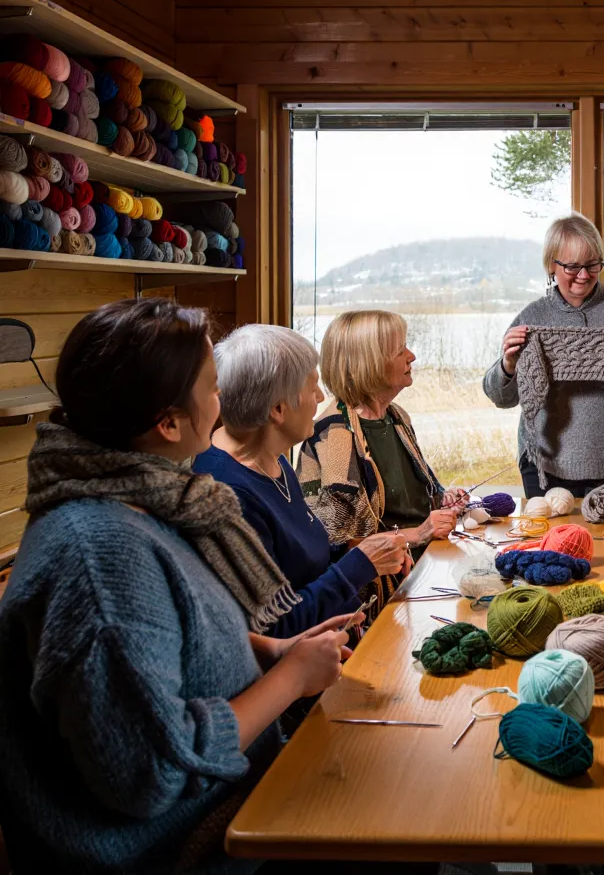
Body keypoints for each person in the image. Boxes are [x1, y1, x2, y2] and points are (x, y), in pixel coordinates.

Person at [0, 299, 355, 873]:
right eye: (213, 388)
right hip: (182, 847)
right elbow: (150, 773)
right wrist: (290, 678)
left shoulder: (147, 500)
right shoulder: (101, 557)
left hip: (235, 806)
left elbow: (170, 643)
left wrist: (274, 650)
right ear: (168, 423)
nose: (223, 403)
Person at [194, 325, 410, 638]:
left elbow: (299, 558)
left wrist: (355, 548)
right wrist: (359, 566)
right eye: (312, 388)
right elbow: (275, 628)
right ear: (278, 409)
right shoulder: (228, 495)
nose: (321, 397)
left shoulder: (272, 459)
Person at [482, 213, 604, 497]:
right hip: (547, 465)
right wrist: (508, 365)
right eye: (573, 266)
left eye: (592, 265)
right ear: (552, 265)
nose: (584, 275)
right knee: (551, 542)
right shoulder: (533, 317)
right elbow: (501, 397)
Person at [298, 309, 462, 566]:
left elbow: (409, 500)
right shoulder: (334, 438)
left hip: (425, 560)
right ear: (369, 364)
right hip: (384, 586)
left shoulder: (396, 418)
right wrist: (419, 534)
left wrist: (443, 498)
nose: (412, 357)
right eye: (401, 351)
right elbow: (340, 547)